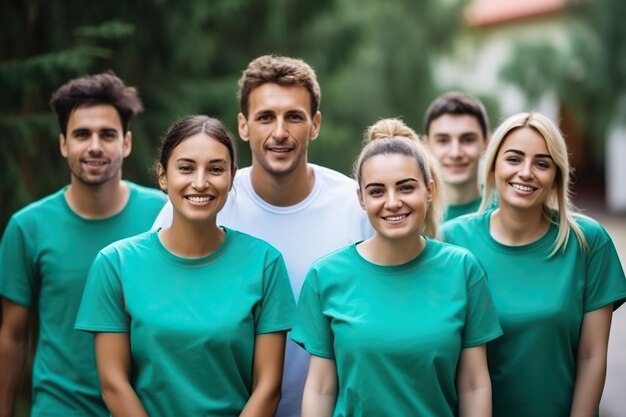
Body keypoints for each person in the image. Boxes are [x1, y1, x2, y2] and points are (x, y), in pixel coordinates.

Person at [152, 55, 372, 417]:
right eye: (265, 117)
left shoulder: (356, 207)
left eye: (294, 117)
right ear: (243, 125)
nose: (280, 132)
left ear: (315, 124)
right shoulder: (202, 201)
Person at [75, 115, 296, 416]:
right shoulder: (116, 263)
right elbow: (113, 384)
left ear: (232, 177)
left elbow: (268, 387)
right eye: (186, 168)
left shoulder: (265, 263)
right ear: (163, 176)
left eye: (216, 169)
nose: (201, 182)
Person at [291, 118, 502, 417]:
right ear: (361, 199)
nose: (393, 202)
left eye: (406, 188)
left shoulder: (462, 269)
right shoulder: (325, 276)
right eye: (377, 191)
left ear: (428, 191)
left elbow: (473, 384)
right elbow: (321, 387)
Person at [0, 72, 166, 417]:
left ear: (127, 143)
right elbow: (12, 338)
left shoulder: (163, 214)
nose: (94, 146)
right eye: (81, 134)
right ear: (63, 144)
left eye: (107, 134)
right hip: (59, 409)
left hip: (144, 409)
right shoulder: (27, 227)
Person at [441, 112, 626, 417]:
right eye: (513, 159)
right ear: (493, 166)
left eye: (542, 163)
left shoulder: (588, 242)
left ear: (556, 175)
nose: (526, 172)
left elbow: (592, 355)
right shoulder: (452, 240)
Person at [422, 91, 490, 221]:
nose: (455, 153)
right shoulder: (413, 218)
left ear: (486, 143)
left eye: (468, 140)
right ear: (426, 146)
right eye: (443, 141)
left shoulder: (506, 211)